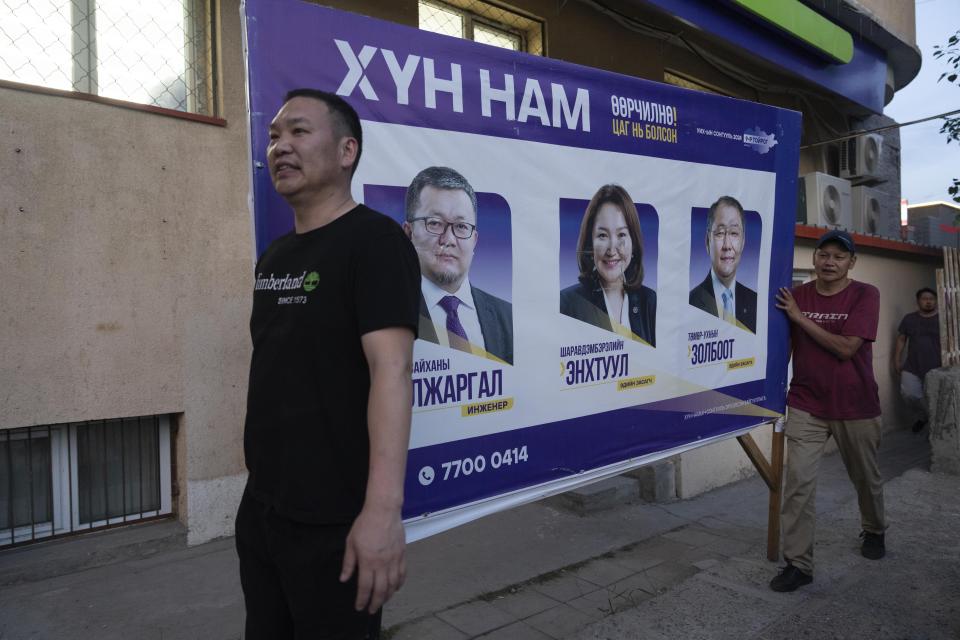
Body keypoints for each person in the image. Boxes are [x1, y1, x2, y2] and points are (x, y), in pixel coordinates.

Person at [235, 89, 420, 639]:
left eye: (298, 132)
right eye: (273, 136)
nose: (279, 147)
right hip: (264, 511)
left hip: (335, 522)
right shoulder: (275, 255)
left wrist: (382, 513)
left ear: (346, 151)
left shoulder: (376, 243)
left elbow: (392, 373)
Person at [770, 229, 886, 593]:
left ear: (852, 263)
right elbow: (784, 344)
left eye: (839, 256)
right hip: (806, 403)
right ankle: (798, 563)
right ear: (814, 259)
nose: (830, 262)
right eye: (824, 255)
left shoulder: (865, 294)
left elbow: (847, 348)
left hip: (856, 404)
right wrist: (773, 394)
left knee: (865, 477)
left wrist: (801, 318)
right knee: (798, 484)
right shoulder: (797, 295)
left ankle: (874, 529)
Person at [403, 166, 514, 364]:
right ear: (409, 234)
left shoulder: (507, 316)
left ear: (474, 241)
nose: (449, 239)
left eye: (461, 227)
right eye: (435, 223)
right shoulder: (387, 314)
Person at [559, 184, 656, 346]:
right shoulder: (567, 304)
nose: (612, 250)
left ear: (634, 242)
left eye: (621, 234)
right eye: (603, 235)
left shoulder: (649, 301)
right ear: (590, 243)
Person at [689, 196, 758, 333]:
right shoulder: (691, 302)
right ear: (708, 242)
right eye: (720, 233)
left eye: (734, 233)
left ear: (743, 242)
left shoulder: (755, 302)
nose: (727, 245)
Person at [894, 287, 941, 432]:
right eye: (924, 299)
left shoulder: (944, 318)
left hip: (938, 367)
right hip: (913, 365)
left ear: (936, 301)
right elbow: (901, 339)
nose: (928, 302)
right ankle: (924, 417)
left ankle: (936, 427)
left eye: (931, 299)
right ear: (918, 301)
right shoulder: (909, 319)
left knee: (937, 399)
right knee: (909, 394)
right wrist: (896, 360)